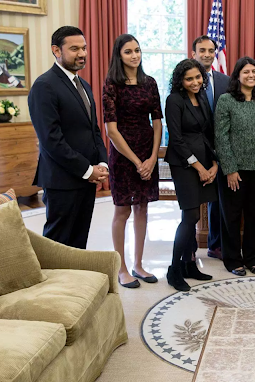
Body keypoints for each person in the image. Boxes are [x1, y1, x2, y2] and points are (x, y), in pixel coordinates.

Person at [28, 26, 109, 249]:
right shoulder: (44, 86)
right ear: (56, 50)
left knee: (78, 245)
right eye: (74, 49)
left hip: (87, 179)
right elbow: (50, 140)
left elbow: (93, 130)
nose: (82, 53)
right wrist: (87, 169)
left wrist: (102, 163)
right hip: (62, 180)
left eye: (84, 48)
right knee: (57, 247)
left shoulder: (84, 85)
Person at [102, 34, 162, 288]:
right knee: (123, 210)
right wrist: (138, 162)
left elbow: (157, 122)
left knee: (143, 208)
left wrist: (152, 158)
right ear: (119, 55)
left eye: (137, 50)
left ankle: (138, 264)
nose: (134, 55)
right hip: (123, 154)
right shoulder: (111, 85)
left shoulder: (150, 83)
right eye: (128, 51)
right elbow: (111, 131)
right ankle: (122, 268)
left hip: (148, 150)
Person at [215, 57, 255, 276]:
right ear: (237, 75)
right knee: (230, 217)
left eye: (254, 71)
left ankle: (252, 258)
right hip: (233, 171)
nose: (251, 75)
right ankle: (232, 260)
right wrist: (230, 169)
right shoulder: (226, 100)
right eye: (246, 72)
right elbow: (221, 136)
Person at [164, 59, 217, 291]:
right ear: (180, 81)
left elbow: (208, 133)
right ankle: (174, 269)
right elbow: (176, 139)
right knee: (191, 215)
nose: (195, 82)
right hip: (183, 164)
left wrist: (214, 163)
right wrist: (199, 168)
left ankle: (189, 264)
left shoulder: (202, 96)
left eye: (198, 77)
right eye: (189, 79)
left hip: (204, 159)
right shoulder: (174, 100)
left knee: (194, 216)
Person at [191, 35, 230, 261]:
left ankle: (215, 245)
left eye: (211, 50)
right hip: (194, 149)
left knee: (218, 199)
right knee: (192, 201)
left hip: (220, 148)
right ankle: (189, 249)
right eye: (202, 50)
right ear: (194, 54)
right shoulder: (187, 79)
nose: (207, 54)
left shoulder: (225, 81)